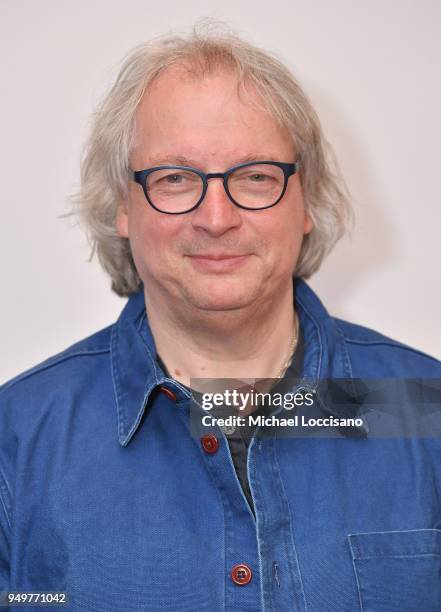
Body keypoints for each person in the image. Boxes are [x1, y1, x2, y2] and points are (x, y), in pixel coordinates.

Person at [1, 27, 440, 612]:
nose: (216, 216)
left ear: (306, 200)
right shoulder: (18, 439)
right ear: (122, 207)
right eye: (175, 178)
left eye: (255, 175)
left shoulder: (424, 412)